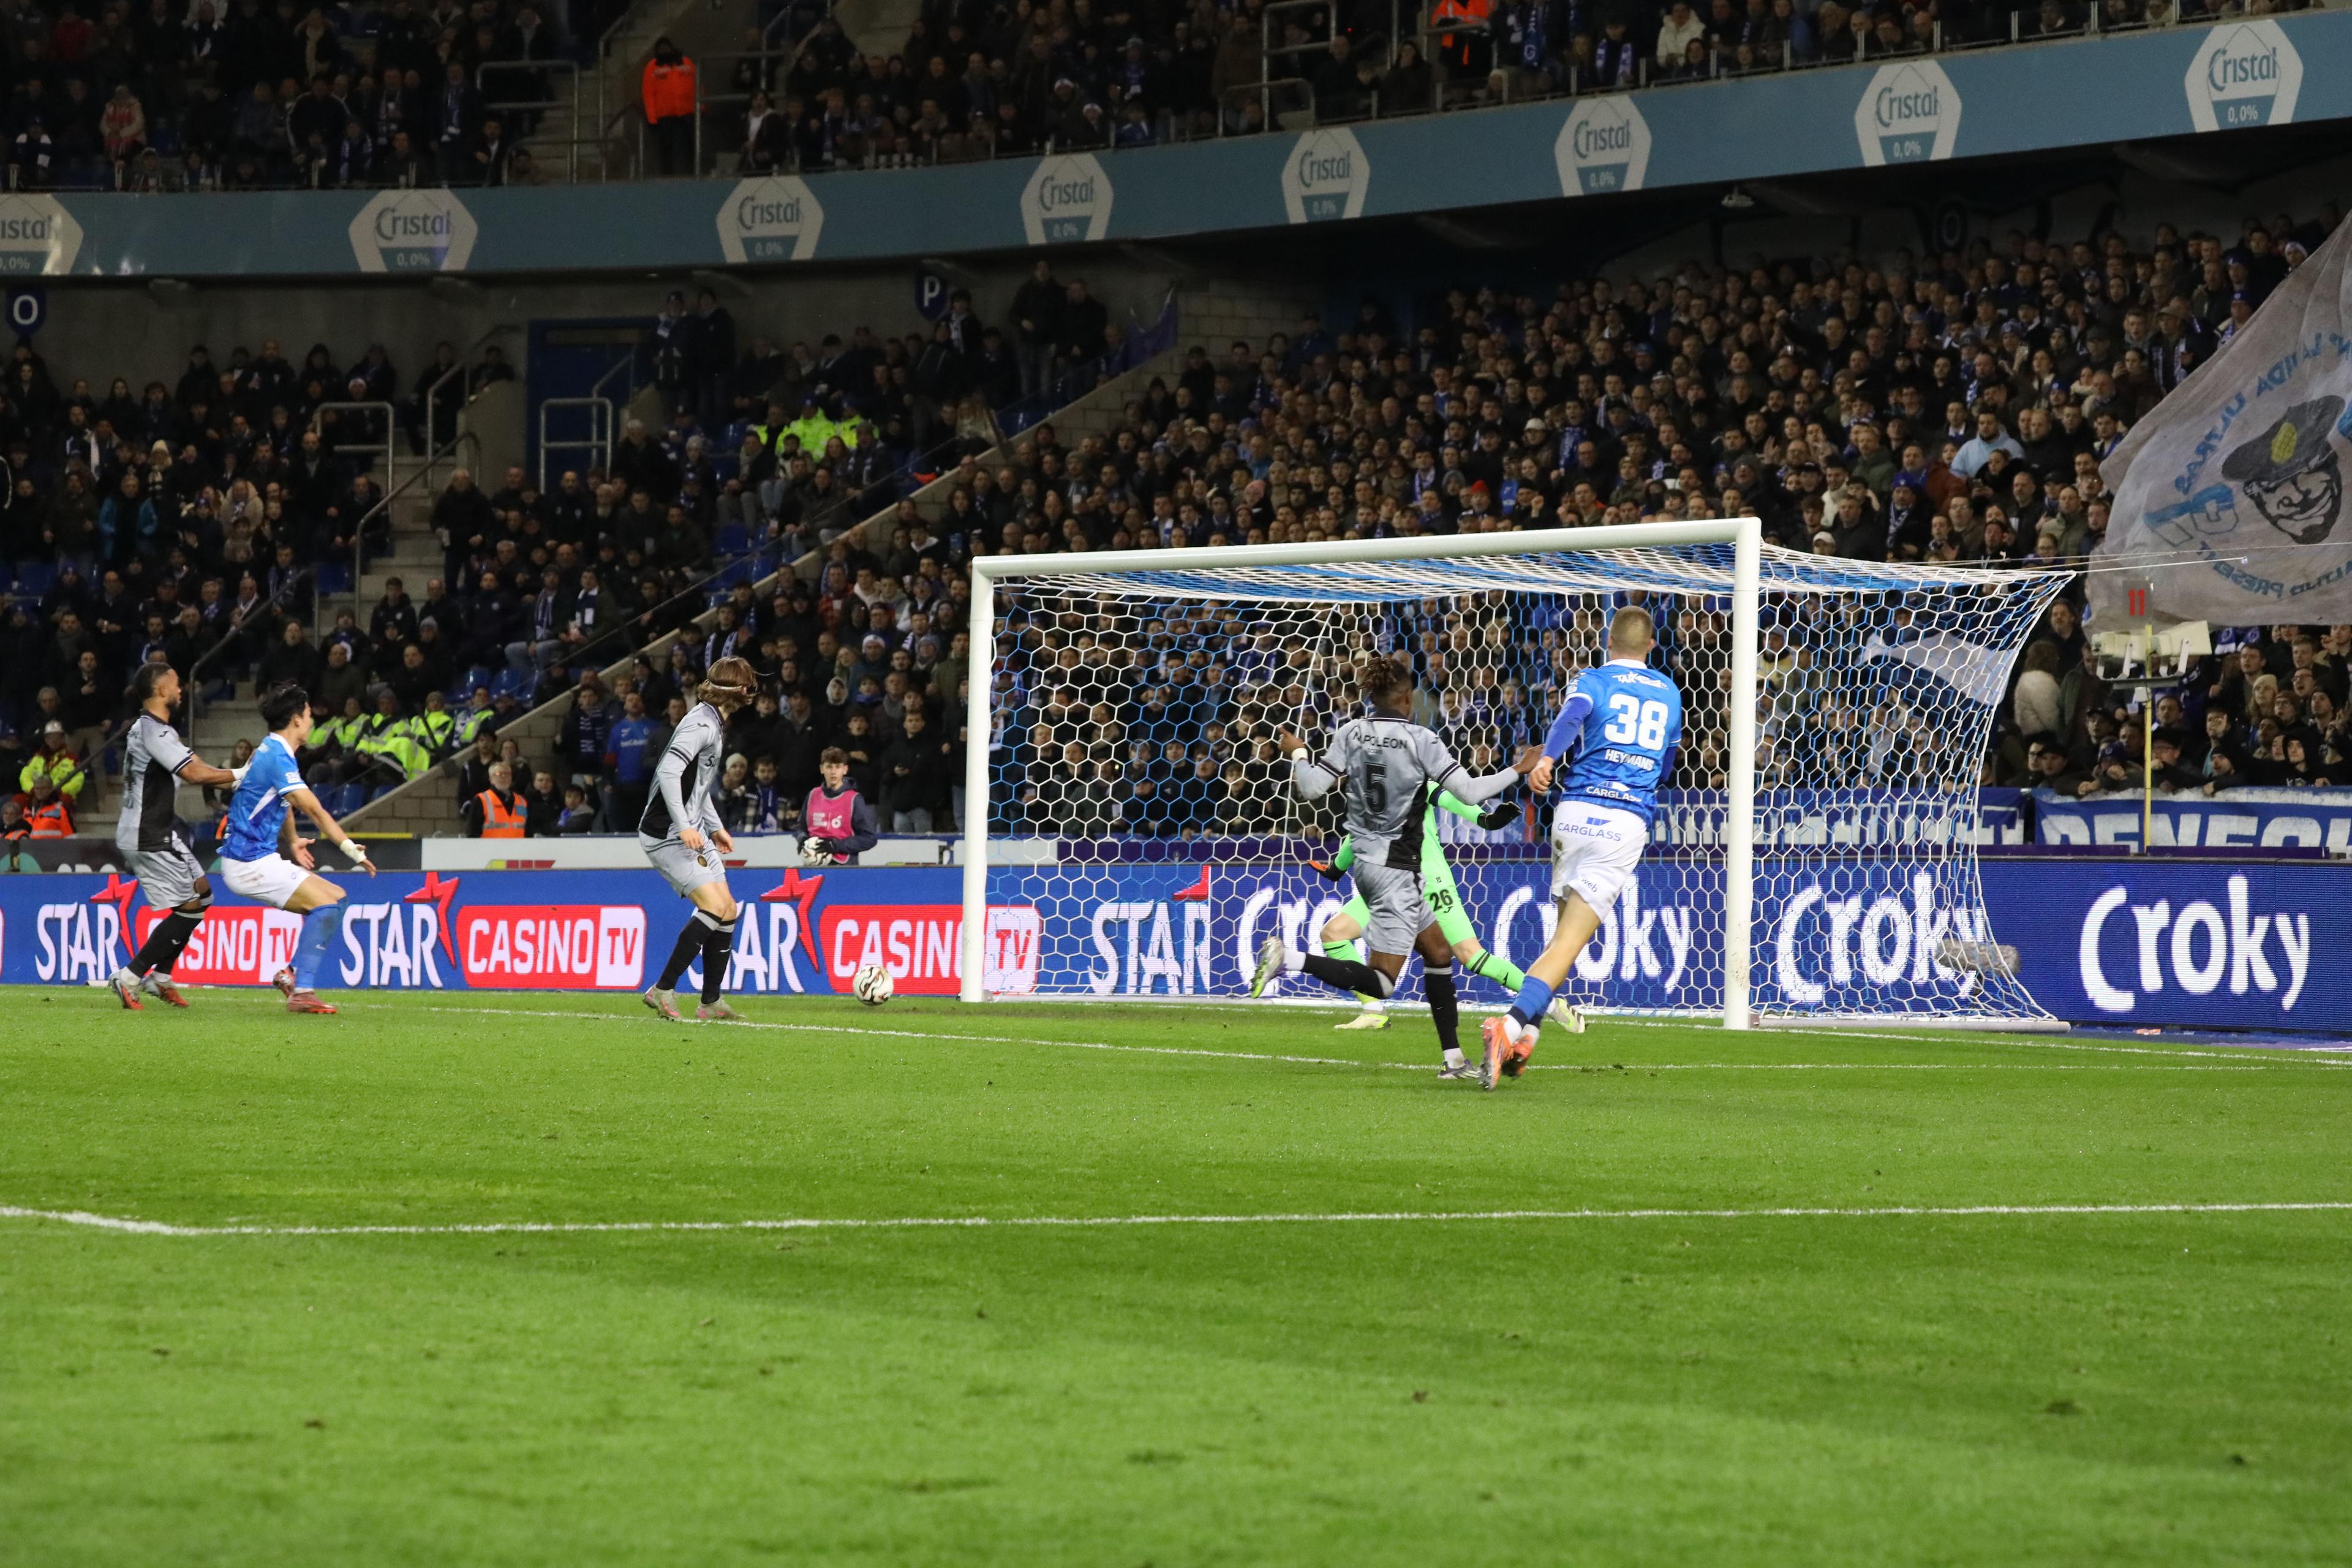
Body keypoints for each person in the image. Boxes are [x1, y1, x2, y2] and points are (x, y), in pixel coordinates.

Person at [1249, 657, 1537, 1078]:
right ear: (1406, 698)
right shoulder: (1421, 739)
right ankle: (1288, 959)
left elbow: (1311, 789)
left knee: (1439, 951)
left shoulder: (1349, 733)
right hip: (1397, 872)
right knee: (1383, 982)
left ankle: (1454, 1061)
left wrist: (1300, 756)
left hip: (1368, 865)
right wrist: (1518, 768)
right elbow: (1471, 792)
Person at [1480, 606, 1681, 1089]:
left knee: (1561, 944)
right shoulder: (1671, 694)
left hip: (1573, 814)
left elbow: (1572, 717)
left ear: (1608, 642)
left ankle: (1526, 1039)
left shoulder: (1593, 679)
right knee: (1569, 943)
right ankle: (1506, 1028)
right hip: (1623, 822)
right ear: (1651, 646)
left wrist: (1548, 758)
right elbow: (1668, 762)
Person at [1308, 783, 1529, 1033]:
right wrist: (1337, 868)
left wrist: (1485, 820)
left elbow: (1451, 799)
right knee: (1334, 933)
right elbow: (1358, 834)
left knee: (1472, 957)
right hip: (1390, 888)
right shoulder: (1370, 785)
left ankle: (1543, 998)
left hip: (1431, 885)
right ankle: (1373, 1011)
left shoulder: (1416, 780)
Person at [217, 681, 379, 1016]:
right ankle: (302, 989)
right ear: (295, 719)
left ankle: (292, 975)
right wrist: (350, 849)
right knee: (329, 903)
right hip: (250, 863)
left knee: (335, 900)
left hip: (251, 859)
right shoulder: (277, 756)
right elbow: (315, 810)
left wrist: (292, 841)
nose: (311, 720)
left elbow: (284, 800)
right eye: (307, 714)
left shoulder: (272, 750)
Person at [106, 663, 244, 1011]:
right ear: (161, 691)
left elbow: (200, 765)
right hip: (147, 832)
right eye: (176, 684)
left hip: (157, 829)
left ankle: (162, 977)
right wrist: (245, 772)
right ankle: (130, 977)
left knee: (203, 896)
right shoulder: (153, 732)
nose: (182, 689)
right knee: (189, 908)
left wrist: (243, 779)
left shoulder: (158, 730)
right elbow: (196, 774)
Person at [640, 655, 757, 1024]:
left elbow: (698, 785)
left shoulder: (712, 720)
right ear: (739, 689)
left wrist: (713, 825)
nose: (752, 690)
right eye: (749, 683)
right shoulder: (701, 724)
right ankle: (662, 989)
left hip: (690, 827)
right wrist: (686, 826)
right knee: (712, 907)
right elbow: (669, 771)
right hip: (667, 834)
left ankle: (710, 1002)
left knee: (729, 910)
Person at [802, 745, 881, 863]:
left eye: (838, 767)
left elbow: (869, 839)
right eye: (829, 767)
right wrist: (802, 839)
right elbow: (800, 827)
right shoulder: (813, 795)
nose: (833, 772)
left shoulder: (854, 799)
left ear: (845, 769)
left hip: (843, 867)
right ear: (822, 769)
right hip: (813, 864)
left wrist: (835, 846)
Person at [463, 759, 527, 837]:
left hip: (518, 848)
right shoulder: (482, 800)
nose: (504, 776)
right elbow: (472, 832)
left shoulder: (521, 801)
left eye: (507, 774)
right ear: (491, 779)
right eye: (499, 774)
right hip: (491, 848)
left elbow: (528, 829)